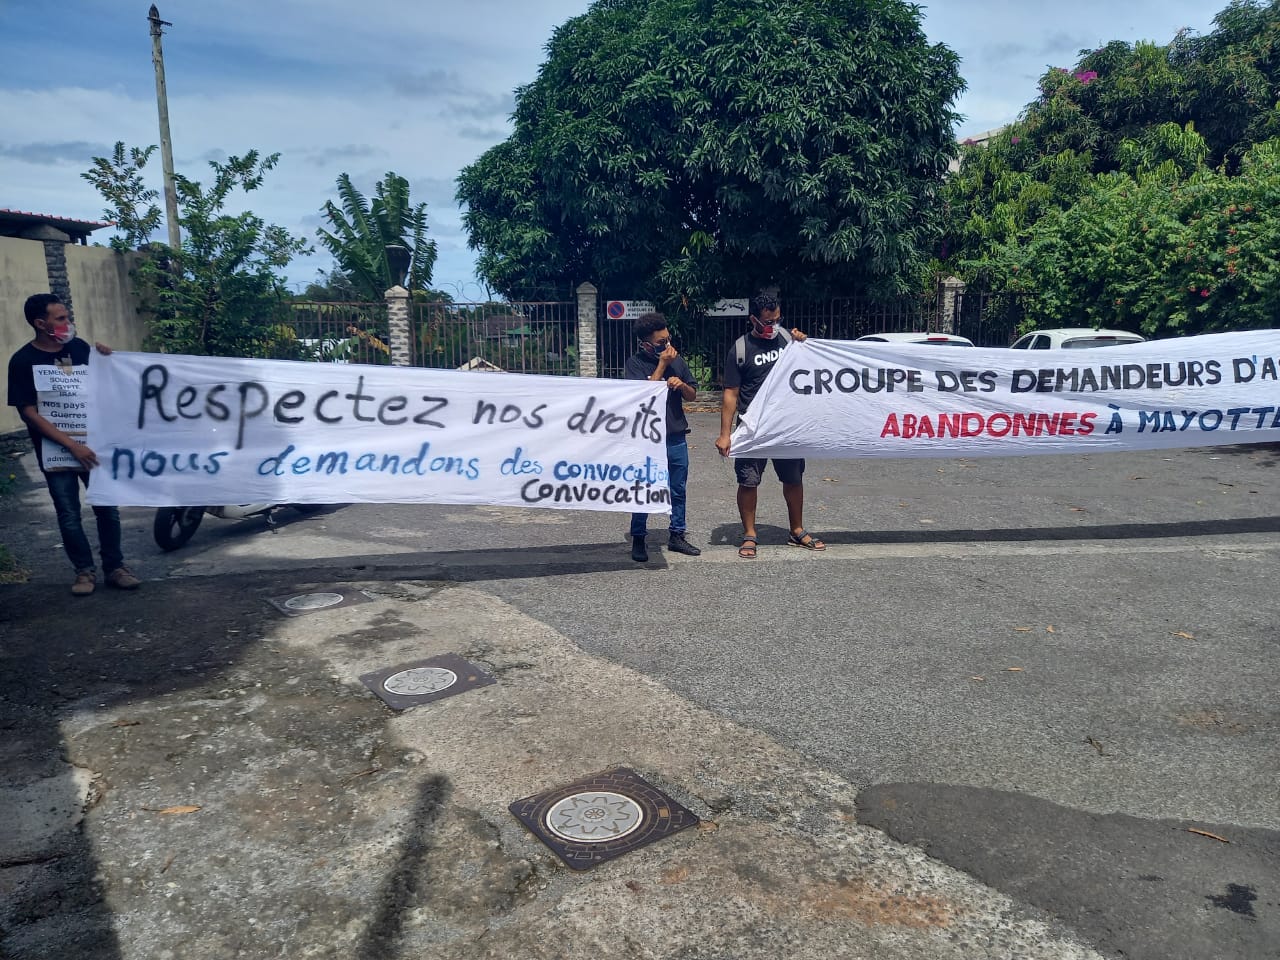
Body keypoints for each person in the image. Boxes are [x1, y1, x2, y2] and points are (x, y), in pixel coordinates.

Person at [7, 293, 140, 595]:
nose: (68, 324)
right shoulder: (23, 361)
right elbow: (29, 412)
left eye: (67, 317)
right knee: (68, 513)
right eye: (60, 318)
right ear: (41, 324)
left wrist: (109, 358)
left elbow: (106, 382)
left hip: (92, 446)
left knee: (107, 508)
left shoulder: (79, 349)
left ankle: (115, 568)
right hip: (56, 453)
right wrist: (71, 445)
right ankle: (84, 572)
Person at [715, 291, 825, 559]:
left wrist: (803, 342)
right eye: (767, 322)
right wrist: (725, 434)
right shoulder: (740, 349)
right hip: (752, 426)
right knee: (749, 481)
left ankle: (796, 530)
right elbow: (731, 393)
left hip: (786, 426)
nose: (773, 326)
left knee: (793, 478)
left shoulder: (789, 340)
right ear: (753, 319)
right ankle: (750, 534)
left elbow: (811, 370)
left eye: (777, 320)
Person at [624, 312, 702, 562]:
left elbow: (693, 395)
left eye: (667, 339)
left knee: (677, 489)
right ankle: (639, 537)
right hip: (646, 438)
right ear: (646, 344)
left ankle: (677, 535)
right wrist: (661, 366)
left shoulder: (677, 360)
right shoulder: (634, 364)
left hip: (675, 436)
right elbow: (640, 398)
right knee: (643, 488)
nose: (666, 345)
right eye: (660, 342)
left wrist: (682, 385)